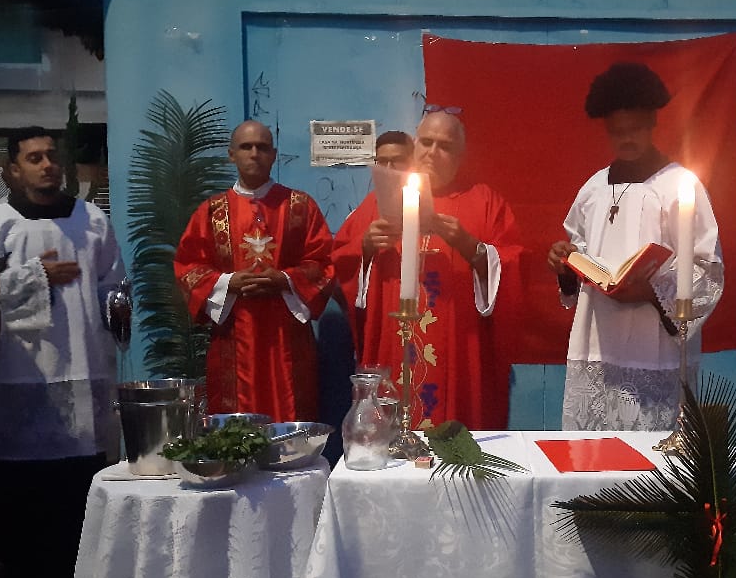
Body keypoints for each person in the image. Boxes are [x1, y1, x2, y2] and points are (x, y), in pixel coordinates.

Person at [0, 127, 128, 578]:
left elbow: (113, 284)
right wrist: (37, 275)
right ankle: (25, 573)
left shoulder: (92, 219)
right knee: (23, 473)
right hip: (19, 368)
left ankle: (82, 569)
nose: (47, 165)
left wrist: (119, 307)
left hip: (84, 359)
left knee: (81, 469)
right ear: (13, 170)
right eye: (34, 158)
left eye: (52, 155)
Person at [548, 62, 722, 430]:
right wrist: (566, 265)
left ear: (653, 122)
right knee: (593, 453)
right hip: (597, 341)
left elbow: (706, 268)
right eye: (617, 132)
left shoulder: (679, 186)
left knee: (651, 453)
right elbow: (579, 251)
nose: (627, 139)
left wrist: (652, 291)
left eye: (636, 129)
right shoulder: (594, 188)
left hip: (653, 344)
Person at [332, 109, 520, 428]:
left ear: (460, 155)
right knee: (392, 432)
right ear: (415, 145)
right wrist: (365, 246)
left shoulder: (485, 202)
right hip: (395, 342)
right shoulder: (380, 202)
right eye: (426, 142)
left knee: (452, 433)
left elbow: (513, 266)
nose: (432, 152)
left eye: (444, 146)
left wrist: (471, 246)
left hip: (457, 345)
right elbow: (341, 261)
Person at [175, 120, 335, 422]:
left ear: (273, 155)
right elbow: (188, 266)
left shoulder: (300, 207)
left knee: (292, 417)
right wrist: (228, 282)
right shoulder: (212, 211)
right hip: (232, 334)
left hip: (287, 336)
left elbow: (323, 261)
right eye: (245, 147)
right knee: (234, 425)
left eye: (262, 147)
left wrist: (284, 279)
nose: (254, 154)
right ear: (231, 155)